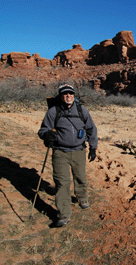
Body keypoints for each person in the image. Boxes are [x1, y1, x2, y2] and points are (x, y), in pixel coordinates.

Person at [38, 84, 98, 227]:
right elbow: (42, 130)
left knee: (80, 177)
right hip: (60, 152)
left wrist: (93, 148)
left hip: (79, 150)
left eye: (71, 93)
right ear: (60, 96)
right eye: (65, 94)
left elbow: (91, 129)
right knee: (61, 183)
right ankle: (63, 214)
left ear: (74, 95)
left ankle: (82, 198)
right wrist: (47, 135)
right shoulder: (53, 111)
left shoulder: (81, 110)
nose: (68, 96)